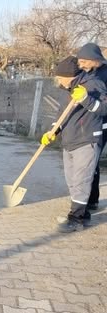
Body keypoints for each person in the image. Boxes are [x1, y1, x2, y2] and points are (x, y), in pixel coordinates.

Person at [41, 55, 107, 232]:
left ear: (70, 76)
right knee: (71, 179)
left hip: (87, 139)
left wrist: (86, 99)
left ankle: (76, 219)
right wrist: (53, 131)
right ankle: (83, 214)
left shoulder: (94, 85)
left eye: (61, 78)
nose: (59, 82)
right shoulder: (68, 89)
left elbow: (104, 109)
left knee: (81, 179)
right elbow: (62, 114)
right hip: (70, 140)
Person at [76, 43, 107, 211]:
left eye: (84, 62)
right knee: (90, 163)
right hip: (88, 123)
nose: (81, 66)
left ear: (95, 59)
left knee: (91, 163)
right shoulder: (86, 72)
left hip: (103, 124)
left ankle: (89, 201)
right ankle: (90, 200)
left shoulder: (105, 74)